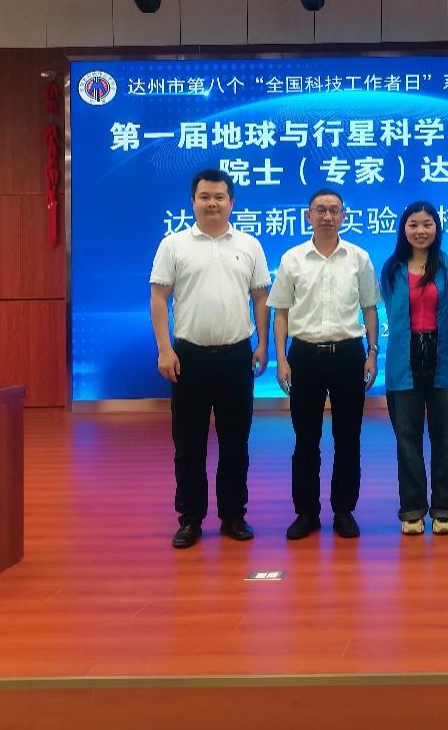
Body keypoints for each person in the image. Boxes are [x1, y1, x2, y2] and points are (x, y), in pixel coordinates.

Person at [149, 169, 272, 550]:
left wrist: (263, 344)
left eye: (220, 197)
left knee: (236, 442)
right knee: (189, 444)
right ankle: (190, 519)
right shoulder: (174, 244)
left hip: (237, 355)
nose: (212, 203)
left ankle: (233, 515)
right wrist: (165, 349)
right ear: (193, 202)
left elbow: (261, 298)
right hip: (189, 357)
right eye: (205, 197)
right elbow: (158, 297)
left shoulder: (249, 244)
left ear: (231, 202)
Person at [269, 188, 380, 541]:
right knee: (306, 438)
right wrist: (281, 358)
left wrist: (372, 352)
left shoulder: (359, 257)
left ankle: (344, 510)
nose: (327, 216)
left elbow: (370, 308)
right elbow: (281, 312)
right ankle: (306, 512)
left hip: (349, 354)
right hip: (304, 355)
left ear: (344, 215)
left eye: (334, 210)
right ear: (308, 215)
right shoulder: (292, 258)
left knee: (348, 437)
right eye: (320, 210)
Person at [380, 201, 448, 536]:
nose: (420, 231)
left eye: (427, 224)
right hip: (403, 359)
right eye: (413, 224)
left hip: (444, 358)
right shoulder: (392, 269)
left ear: (437, 228)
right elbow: (393, 315)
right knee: (407, 439)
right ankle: (412, 511)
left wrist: (447, 350)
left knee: (446, 439)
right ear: (404, 229)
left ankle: (444, 510)